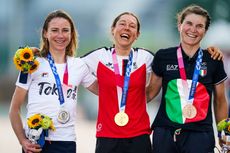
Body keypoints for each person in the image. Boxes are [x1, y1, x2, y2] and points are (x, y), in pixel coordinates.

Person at [81, 12, 223, 153]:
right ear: (113, 29)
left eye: (132, 26)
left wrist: (209, 52)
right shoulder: (98, 56)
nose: (126, 28)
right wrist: (103, 92)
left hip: (140, 134)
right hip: (109, 134)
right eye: (122, 24)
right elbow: (72, 68)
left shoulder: (147, 57)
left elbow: (179, 64)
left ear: (137, 34)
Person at [9, 10, 98, 153]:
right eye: (55, 30)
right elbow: (14, 109)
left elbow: (105, 91)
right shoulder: (31, 63)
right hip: (36, 142)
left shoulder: (79, 65)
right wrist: (23, 141)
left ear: (71, 34)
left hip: (66, 141)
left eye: (65, 30)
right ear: (45, 33)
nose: (60, 35)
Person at [147, 4, 228, 153]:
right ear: (179, 25)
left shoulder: (213, 59)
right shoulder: (163, 56)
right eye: (189, 23)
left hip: (200, 135)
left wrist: (225, 138)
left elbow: (220, 101)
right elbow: (149, 94)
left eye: (199, 26)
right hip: (165, 132)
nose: (193, 29)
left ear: (205, 31)